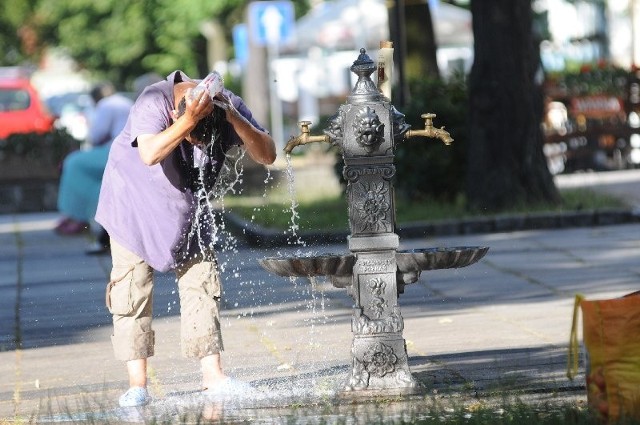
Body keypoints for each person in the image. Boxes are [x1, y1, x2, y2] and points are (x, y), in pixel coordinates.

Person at [95, 70, 276, 407]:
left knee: (203, 284)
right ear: (175, 114)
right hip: (131, 204)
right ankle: (138, 386)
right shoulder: (153, 100)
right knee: (132, 291)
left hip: (186, 207)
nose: (201, 147)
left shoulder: (225, 106)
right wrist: (188, 122)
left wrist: (235, 119)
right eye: (195, 139)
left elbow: (268, 154)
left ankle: (214, 376)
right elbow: (149, 153)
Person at [54, 82, 133, 246]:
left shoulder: (105, 105)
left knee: (73, 163)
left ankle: (76, 215)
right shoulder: (124, 101)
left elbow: (96, 135)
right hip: (129, 152)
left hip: (114, 152)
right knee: (98, 180)